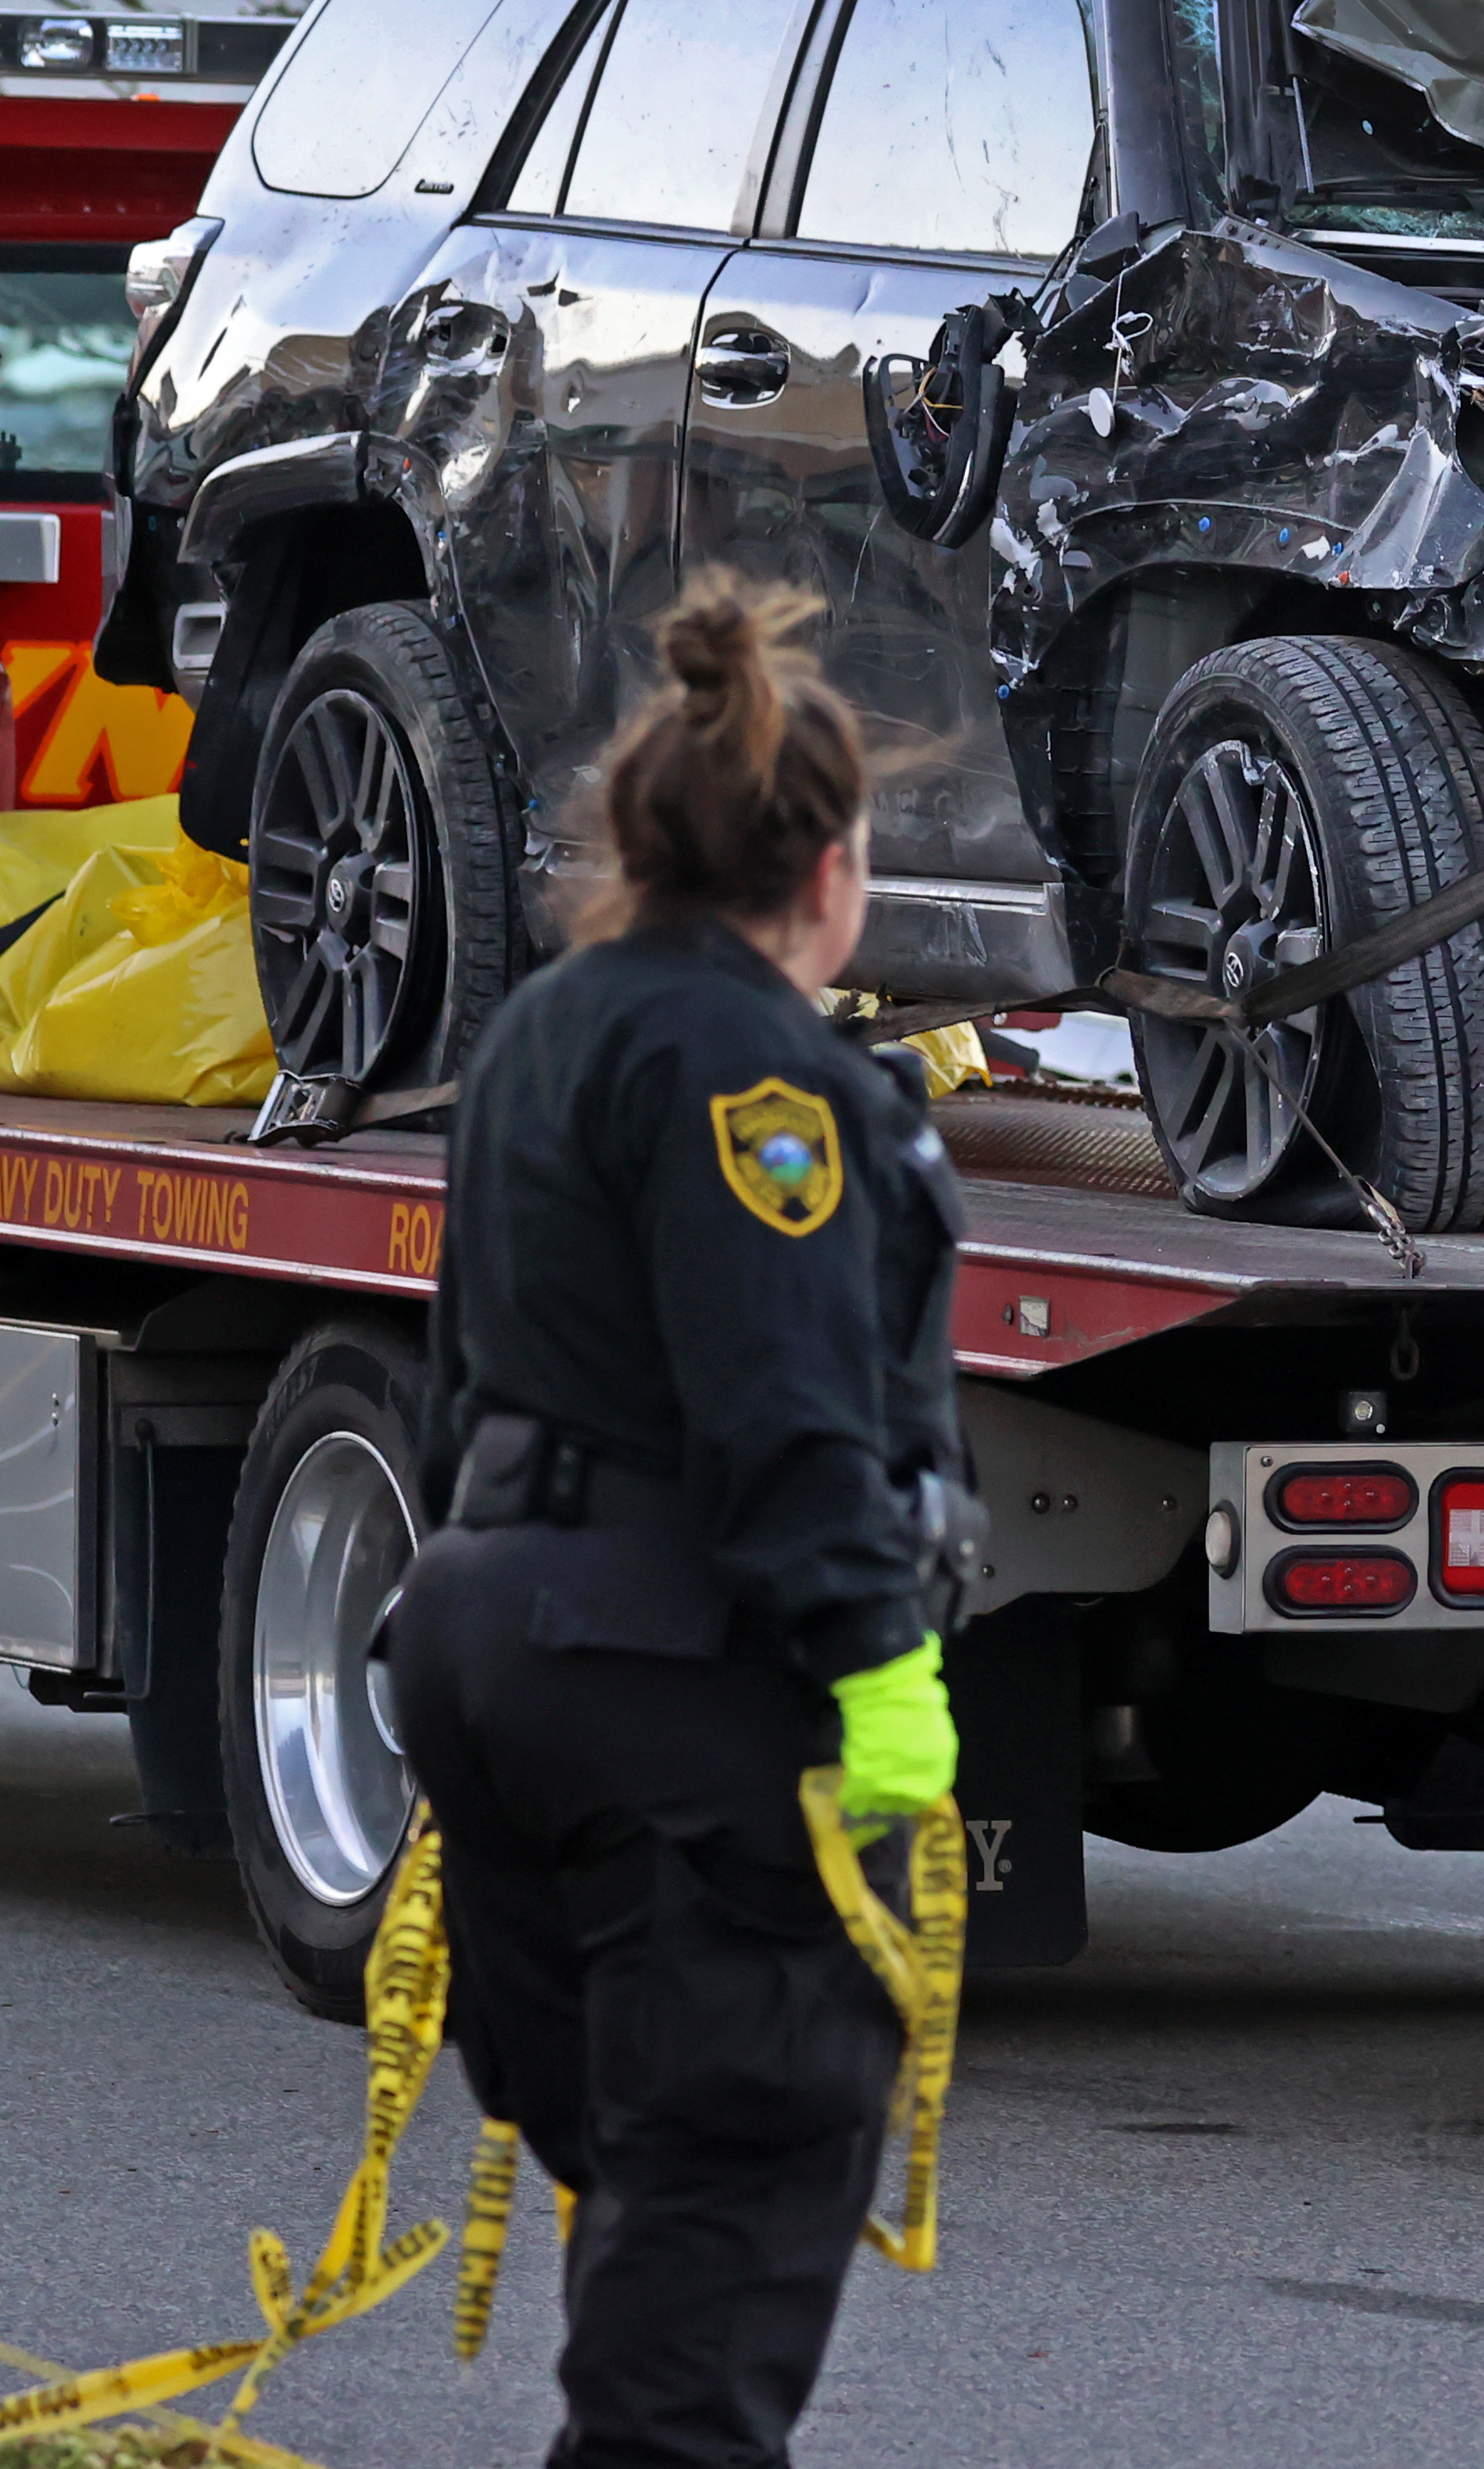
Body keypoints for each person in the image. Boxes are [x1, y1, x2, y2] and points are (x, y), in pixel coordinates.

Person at [394, 573, 978, 2466]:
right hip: (670, 1667)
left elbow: (467, 1359)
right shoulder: (760, 1078)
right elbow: (783, 1407)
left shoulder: (549, 1029)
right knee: (730, 2184)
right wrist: (885, 1674)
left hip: (496, 1634)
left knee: (648, 2181)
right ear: (820, 871)